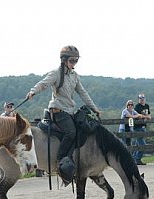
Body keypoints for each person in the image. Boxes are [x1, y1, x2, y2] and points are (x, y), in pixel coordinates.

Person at [26, 45, 101, 184]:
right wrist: (32, 92)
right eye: (72, 61)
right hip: (58, 111)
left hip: (70, 111)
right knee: (71, 132)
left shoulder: (74, 76)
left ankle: (75, 163)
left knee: (81, 131)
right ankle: (60, 162)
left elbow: (83, 93)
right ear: (64, 60)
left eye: (76, 61)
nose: (74, 64)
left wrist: (94, 108)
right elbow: (43, 84)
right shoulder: (56, 73)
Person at [132, 93, 151, 165]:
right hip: (137, 127)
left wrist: (146, 116)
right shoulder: (137, 107)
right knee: (142, 144)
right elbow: (137, 116)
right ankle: (137, 159)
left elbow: (149, 115)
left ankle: (133, 159)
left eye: (143, 98)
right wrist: (145, 117)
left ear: (145, 98)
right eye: (140, 98)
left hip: (143, 127)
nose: (142, 99)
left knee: (138, 144)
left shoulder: (147, 106)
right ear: (138, 99)